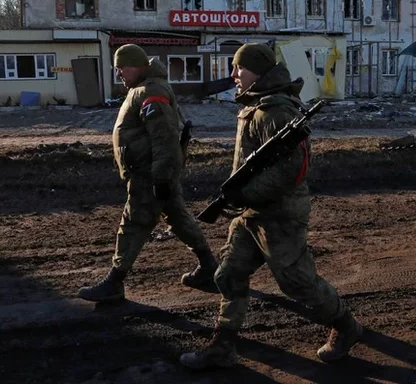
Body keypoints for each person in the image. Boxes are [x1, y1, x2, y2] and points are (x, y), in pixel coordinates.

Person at [179, 43, 362, 369]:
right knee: (229, 274)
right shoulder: (257, 105)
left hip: (279, 216)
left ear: (258, 72)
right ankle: (223, 346)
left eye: (240, 68)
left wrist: (245, 195)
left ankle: (345, 326)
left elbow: (293, 169)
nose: (234, 74)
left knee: (298, 284)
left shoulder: (276, 111)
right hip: (252, 213)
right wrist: (239, 197)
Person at [77, 44, 218, 303]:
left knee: (133, 223)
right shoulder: (143, 89)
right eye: (116, 67)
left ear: (138, 66)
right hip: (154, 173)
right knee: (178, 218)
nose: (118, 72)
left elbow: (164, 139)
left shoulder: (151, 91)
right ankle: (209, 268)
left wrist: (161, 178)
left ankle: (115, 281)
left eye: (122, 67)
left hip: (149, 175)